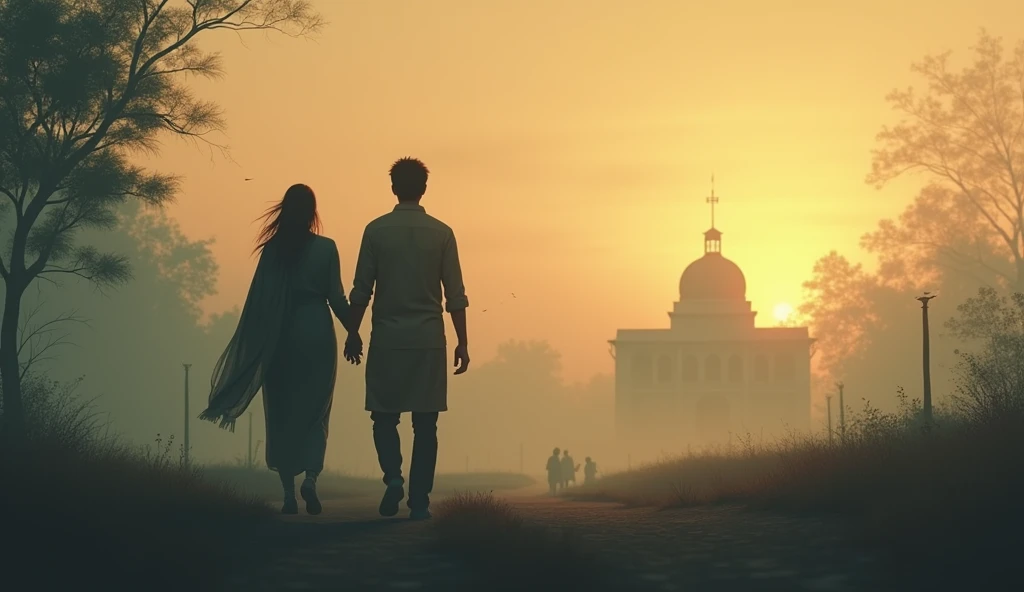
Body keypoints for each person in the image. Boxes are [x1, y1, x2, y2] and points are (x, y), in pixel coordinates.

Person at [200, 184, 362, 516]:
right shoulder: (327, 248)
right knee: (317, 411)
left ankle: (288, 493)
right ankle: (312, 479)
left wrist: (256, 348)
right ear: (313, 212)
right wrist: (354, 331)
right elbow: (336, 298)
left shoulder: (272, 251)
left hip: (281, 335)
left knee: (282, 413)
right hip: (317, 330)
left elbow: (258, 306)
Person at [346, 157, 470, 521]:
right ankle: (419, 500)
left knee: (383, 418)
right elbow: (456, 295)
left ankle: (393, 478)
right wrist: (463, 342)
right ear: (425, 188)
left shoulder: (376, 231)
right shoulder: (442, 233)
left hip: (387, 337)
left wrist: (353, 331)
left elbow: (360, 291)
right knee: (426, 424)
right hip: (429, 339)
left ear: (393, 187)